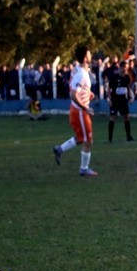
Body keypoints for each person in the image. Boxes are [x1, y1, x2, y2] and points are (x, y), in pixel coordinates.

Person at [53, 46, 98, 177]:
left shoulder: (78, 70)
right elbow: (73, 94)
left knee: (81, 137)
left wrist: (88, 93)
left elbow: (76, 88)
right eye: (89, 54)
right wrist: (85, 107)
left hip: (75, 109)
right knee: (88, 140)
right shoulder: (81, 74)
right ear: (85, 58)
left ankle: (60, 149)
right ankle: (84, 168)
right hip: (80, 112)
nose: (91, 55)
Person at [105, 60, 134, 142]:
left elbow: (127, 87)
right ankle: (110, 138)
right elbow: (109, 89)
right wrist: (109, 99)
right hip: (115, 100)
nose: (125, 69)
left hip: (123, 100)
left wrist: (129, 97)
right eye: (124, 67)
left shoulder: (126, 77)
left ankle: (128, 136)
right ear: (121, 68)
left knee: (126, 117)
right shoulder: (114, 77)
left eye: (126, 68)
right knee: (113, 117)